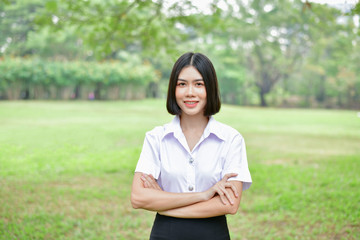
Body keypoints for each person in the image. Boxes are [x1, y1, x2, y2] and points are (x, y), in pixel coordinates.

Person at [131, 52, 252, 240]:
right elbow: (138, 198)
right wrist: (204, 196)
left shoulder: (231, 139)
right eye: (182, 84)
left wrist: (164, 203)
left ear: (210, 88)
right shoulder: (156, 138)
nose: (190, 92)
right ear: (173, 89)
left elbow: (229, 205)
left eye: (198, 84)